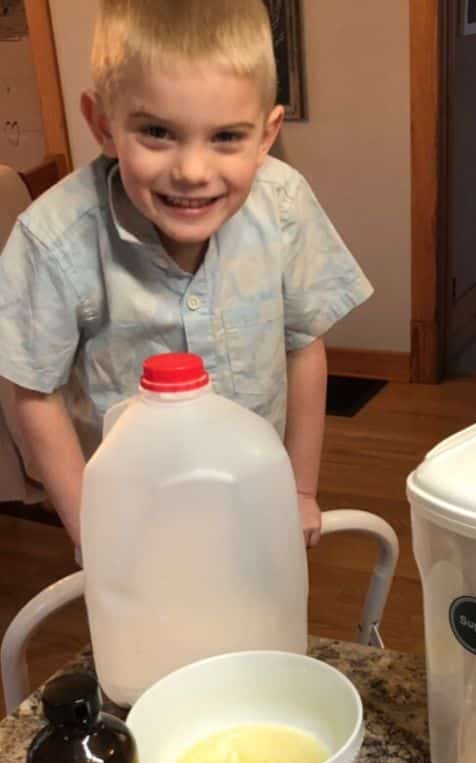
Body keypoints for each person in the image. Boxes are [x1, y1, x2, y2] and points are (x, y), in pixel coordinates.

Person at [0, 0, 372, 549]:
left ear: (267, 134)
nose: (193, 172)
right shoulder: (52, 238)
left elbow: (304, 344)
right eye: (157, 132)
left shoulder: (285, 203)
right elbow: (35, 393)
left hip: (257, 495)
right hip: (132, 517)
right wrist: (92, 531)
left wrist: (298, 491)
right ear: (104, 124)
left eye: (226, 137)